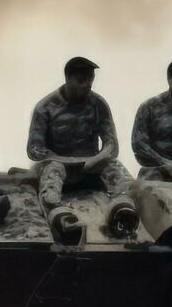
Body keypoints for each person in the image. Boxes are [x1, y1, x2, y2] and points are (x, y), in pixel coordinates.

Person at [26, 57, 133, 213]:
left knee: (117, 170)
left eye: (91, 80)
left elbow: (111, 144)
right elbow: (34, 149)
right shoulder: (46, 107)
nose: (88, 85)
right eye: (82, 80)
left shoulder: (98, 104)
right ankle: (55, 211)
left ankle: (125, 207)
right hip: (58, 166)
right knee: (52, 172)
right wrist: (65, 161)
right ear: (68, 79)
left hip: (91, 167)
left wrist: (99, 158)